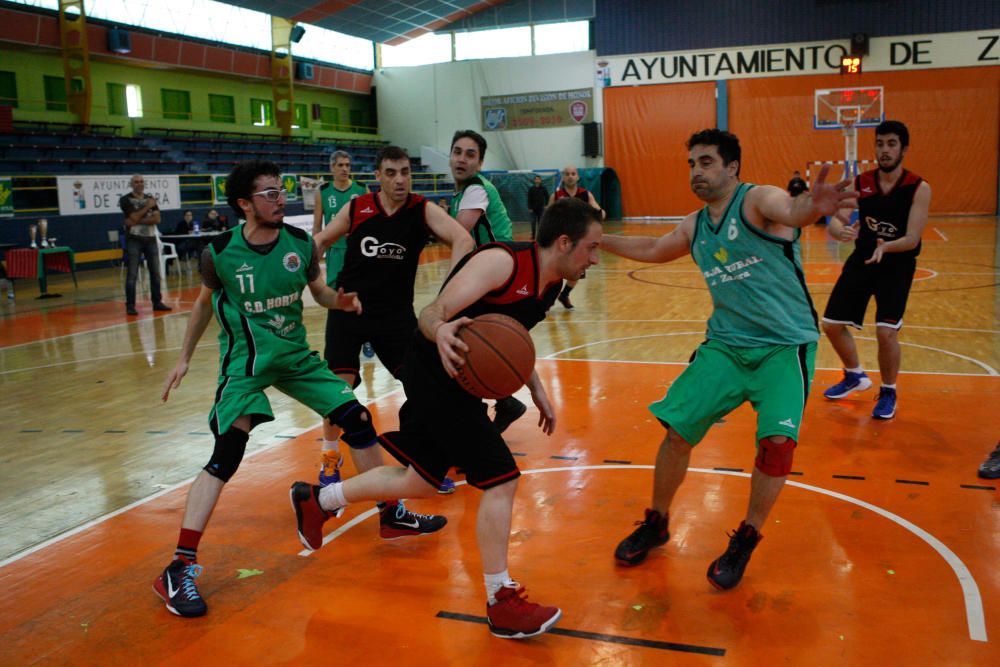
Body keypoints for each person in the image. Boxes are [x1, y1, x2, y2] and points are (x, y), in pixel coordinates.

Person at [291, 196, 603, 639]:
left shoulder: (549, 285)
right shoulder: (501, 263)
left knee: (418, 482)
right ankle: (501, 601)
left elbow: (507, 340)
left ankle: (316, 501)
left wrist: (534, 388)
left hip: (456, 383)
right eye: (592, 248)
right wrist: (441, 330)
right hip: (433, 373)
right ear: (566, 242)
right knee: (502, 478)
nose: (595, 258)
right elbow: (431, 313)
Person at [153, 159, 429, 618]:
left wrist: (337, 300)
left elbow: (316, 291)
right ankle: (178, 566)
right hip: (247, 363)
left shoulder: (301, 244)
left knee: (358, 420)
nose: (280, 199)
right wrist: (183, 357)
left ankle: (391, 512)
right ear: (244, 204)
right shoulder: (219, 252)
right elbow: (204, 304)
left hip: (296, 358)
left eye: (281, 191)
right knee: (226, 455)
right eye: (268, 193)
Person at [601, 129, 854, 590]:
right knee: (678, 433)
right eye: (692, 164)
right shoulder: (696, 225)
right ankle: (656, 523)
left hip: (783, 347)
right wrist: (600, 239)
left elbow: (792, 211)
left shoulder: (759, 200)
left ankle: (746, 537)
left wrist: (812, 207)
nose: (697, 172)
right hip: (726, 346)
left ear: (732, 167)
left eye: (706, 162)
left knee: (776, 446)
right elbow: (655, 250)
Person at [313, 145, 474, 501]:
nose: (399, 180)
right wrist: (304, 275)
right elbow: (321, 240)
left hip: (395, 317)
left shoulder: (421, 209)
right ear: (377, 177)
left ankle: (423, 464)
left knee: (424, 387)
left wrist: (447, 292)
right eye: (391, 173)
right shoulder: (359, 207)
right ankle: (328, 458)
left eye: (405, 172)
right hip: (348, 310)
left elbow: (463, 238)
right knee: (339, 394)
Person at [821, 120, 931, 420]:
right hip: (863, 259)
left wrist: (886, 247)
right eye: (880, 144)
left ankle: (888, 390)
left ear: (904, 149)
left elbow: (911, 239)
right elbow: (837, 218)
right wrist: (837, 230)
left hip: (897, 264)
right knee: (830, 324)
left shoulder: (918, 188)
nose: (885, 150)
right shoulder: (861, 182)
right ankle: (855, 375)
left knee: (886, 332)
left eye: (891, 144)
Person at [448, 129, 528, 434]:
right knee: (472, 343)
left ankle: (477, 417)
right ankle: (504, 402)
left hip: (498, 272)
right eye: (458, 152)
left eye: (470, 154)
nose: (462, 159)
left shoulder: (476, 189)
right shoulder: (463, 192)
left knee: (460, 341)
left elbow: (458, 232)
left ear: (479, 163)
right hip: (491, 269)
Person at [549, 165, 605, 309]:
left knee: (577, 271)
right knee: (555, 271)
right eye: (567, 174)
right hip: (560, 240)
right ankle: (547, 299)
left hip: (579, 240)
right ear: (563, 177)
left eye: (573, 173)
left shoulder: (585, 194)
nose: (570, 176)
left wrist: (599, 214)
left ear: (578, 177)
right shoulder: (556, 196)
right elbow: (547, 217)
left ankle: (564, 294)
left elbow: (598, 210)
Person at [120, 174, 171, 316]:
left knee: (155, 273)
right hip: (133, 240)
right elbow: (134, 216)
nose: (139, 184)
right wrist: (147, 208)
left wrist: (135, 220)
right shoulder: (125, 199)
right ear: (132, 184)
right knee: (132, 274)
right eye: (136, 182)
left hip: (150, 239)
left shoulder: (150, 198)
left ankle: (157, 302)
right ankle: (130, 305)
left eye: (141, 181)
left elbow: (157, 219)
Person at [526, 175, 548, 239]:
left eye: (539, 179)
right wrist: (529, 207)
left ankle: (540, 236)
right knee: (533, 223)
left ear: (540, 180)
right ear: (534, 180)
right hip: (533, 209)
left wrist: (546, 205)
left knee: (540, 223)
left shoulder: (543, 188)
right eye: (536, 179)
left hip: (541, 209)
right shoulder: (531, 189)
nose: (537, 180)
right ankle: (533, 236)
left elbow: (547, 197)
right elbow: (529, 198)